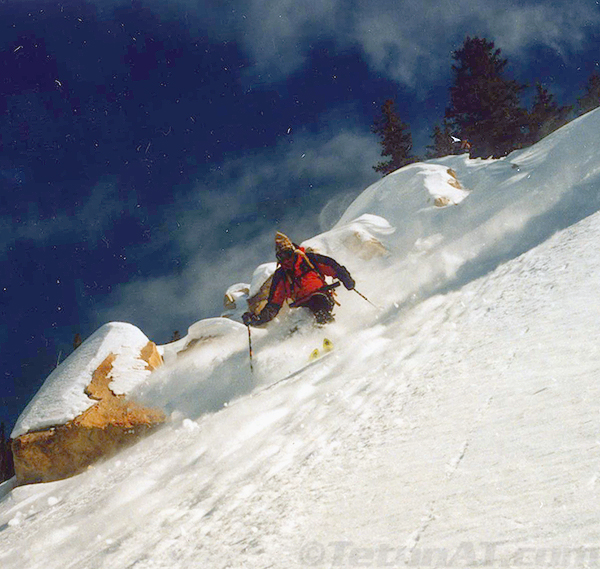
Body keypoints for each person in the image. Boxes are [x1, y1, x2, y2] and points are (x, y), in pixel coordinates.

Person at [242, 232, 355, 326]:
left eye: (287, 254)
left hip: (321, 296)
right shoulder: (281, 275)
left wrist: (346, 279)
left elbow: (333, 267)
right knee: (296, 321)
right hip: (302, 305)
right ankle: (304, 345)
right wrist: (258, 319)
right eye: (281, 257)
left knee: (318, 307)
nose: (286, 260)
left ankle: (330, 333)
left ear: (293, 251)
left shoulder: (309, 260)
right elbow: (274, 303)